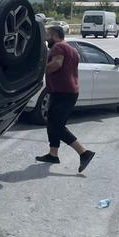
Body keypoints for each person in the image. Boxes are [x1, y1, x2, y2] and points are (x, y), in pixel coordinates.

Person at [36, 24, 95, 172]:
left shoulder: (58, 47)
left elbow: (56, 64)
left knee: (57, 125)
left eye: (48, 35)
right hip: (66, 91)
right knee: (52, 122)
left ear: (55, 35)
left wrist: (39, 69)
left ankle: (84, 153)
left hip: (63, 92)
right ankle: (53, 154)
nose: (46, 38)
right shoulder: (72, 50)